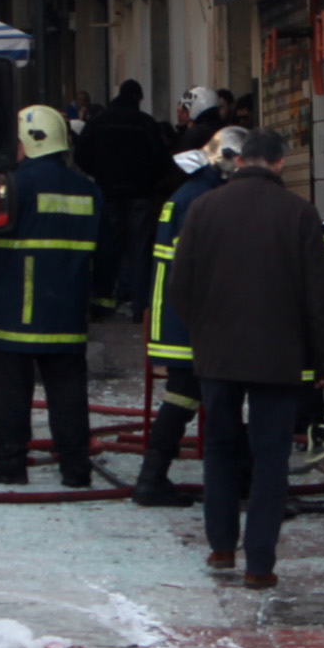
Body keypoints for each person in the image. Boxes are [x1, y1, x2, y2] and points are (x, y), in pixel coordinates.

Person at [166, 129, 324, 591]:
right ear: (280, 164)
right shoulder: (300, 215)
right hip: (279, 358)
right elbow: (319, 298)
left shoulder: (203, 209)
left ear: (240, 161)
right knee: (271, 459)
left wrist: (203, 332)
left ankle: (221, 545)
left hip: (218, 355)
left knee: (220, 450)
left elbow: (178, 287)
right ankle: (259, 565)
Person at [0, 105, 100, 486]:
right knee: (68, 395)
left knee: (11, 393)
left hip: (15, 309)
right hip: (67, 311)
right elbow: (107, 253)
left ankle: (10, 465)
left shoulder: (13, 185)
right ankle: (76, 469)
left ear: (30, 142)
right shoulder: (89, 188)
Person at [129, 124, 244, 508]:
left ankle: (156, 478)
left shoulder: (189, 194)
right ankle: (156, 479)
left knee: (192, 398)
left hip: (176, 320)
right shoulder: (201, 200)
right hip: (188, 324)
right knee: (194, 398)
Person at [77, 81, 177, 314]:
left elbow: (82, 153)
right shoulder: (145, 124)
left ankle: (105, 302)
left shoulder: (99, 122)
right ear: (138, 98)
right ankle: (140, 305)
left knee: (108, 247)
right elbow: (162, 161)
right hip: (139, 195)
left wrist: (99, 173)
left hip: (108, 193)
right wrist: (147, 181)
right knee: (139, 248)